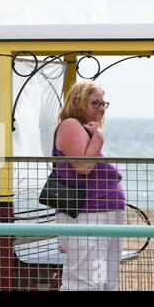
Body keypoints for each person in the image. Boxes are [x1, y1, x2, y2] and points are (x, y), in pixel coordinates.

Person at [54, 81, 126, 291]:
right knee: (85, 281)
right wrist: (99, 136)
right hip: (87, 214)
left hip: (101, 214)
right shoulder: (70, 124)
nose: (101, 109)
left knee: (105, 281)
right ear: (78, 102)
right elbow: (83, 165)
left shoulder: (83, 129)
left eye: (104, 104)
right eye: (95, 103)